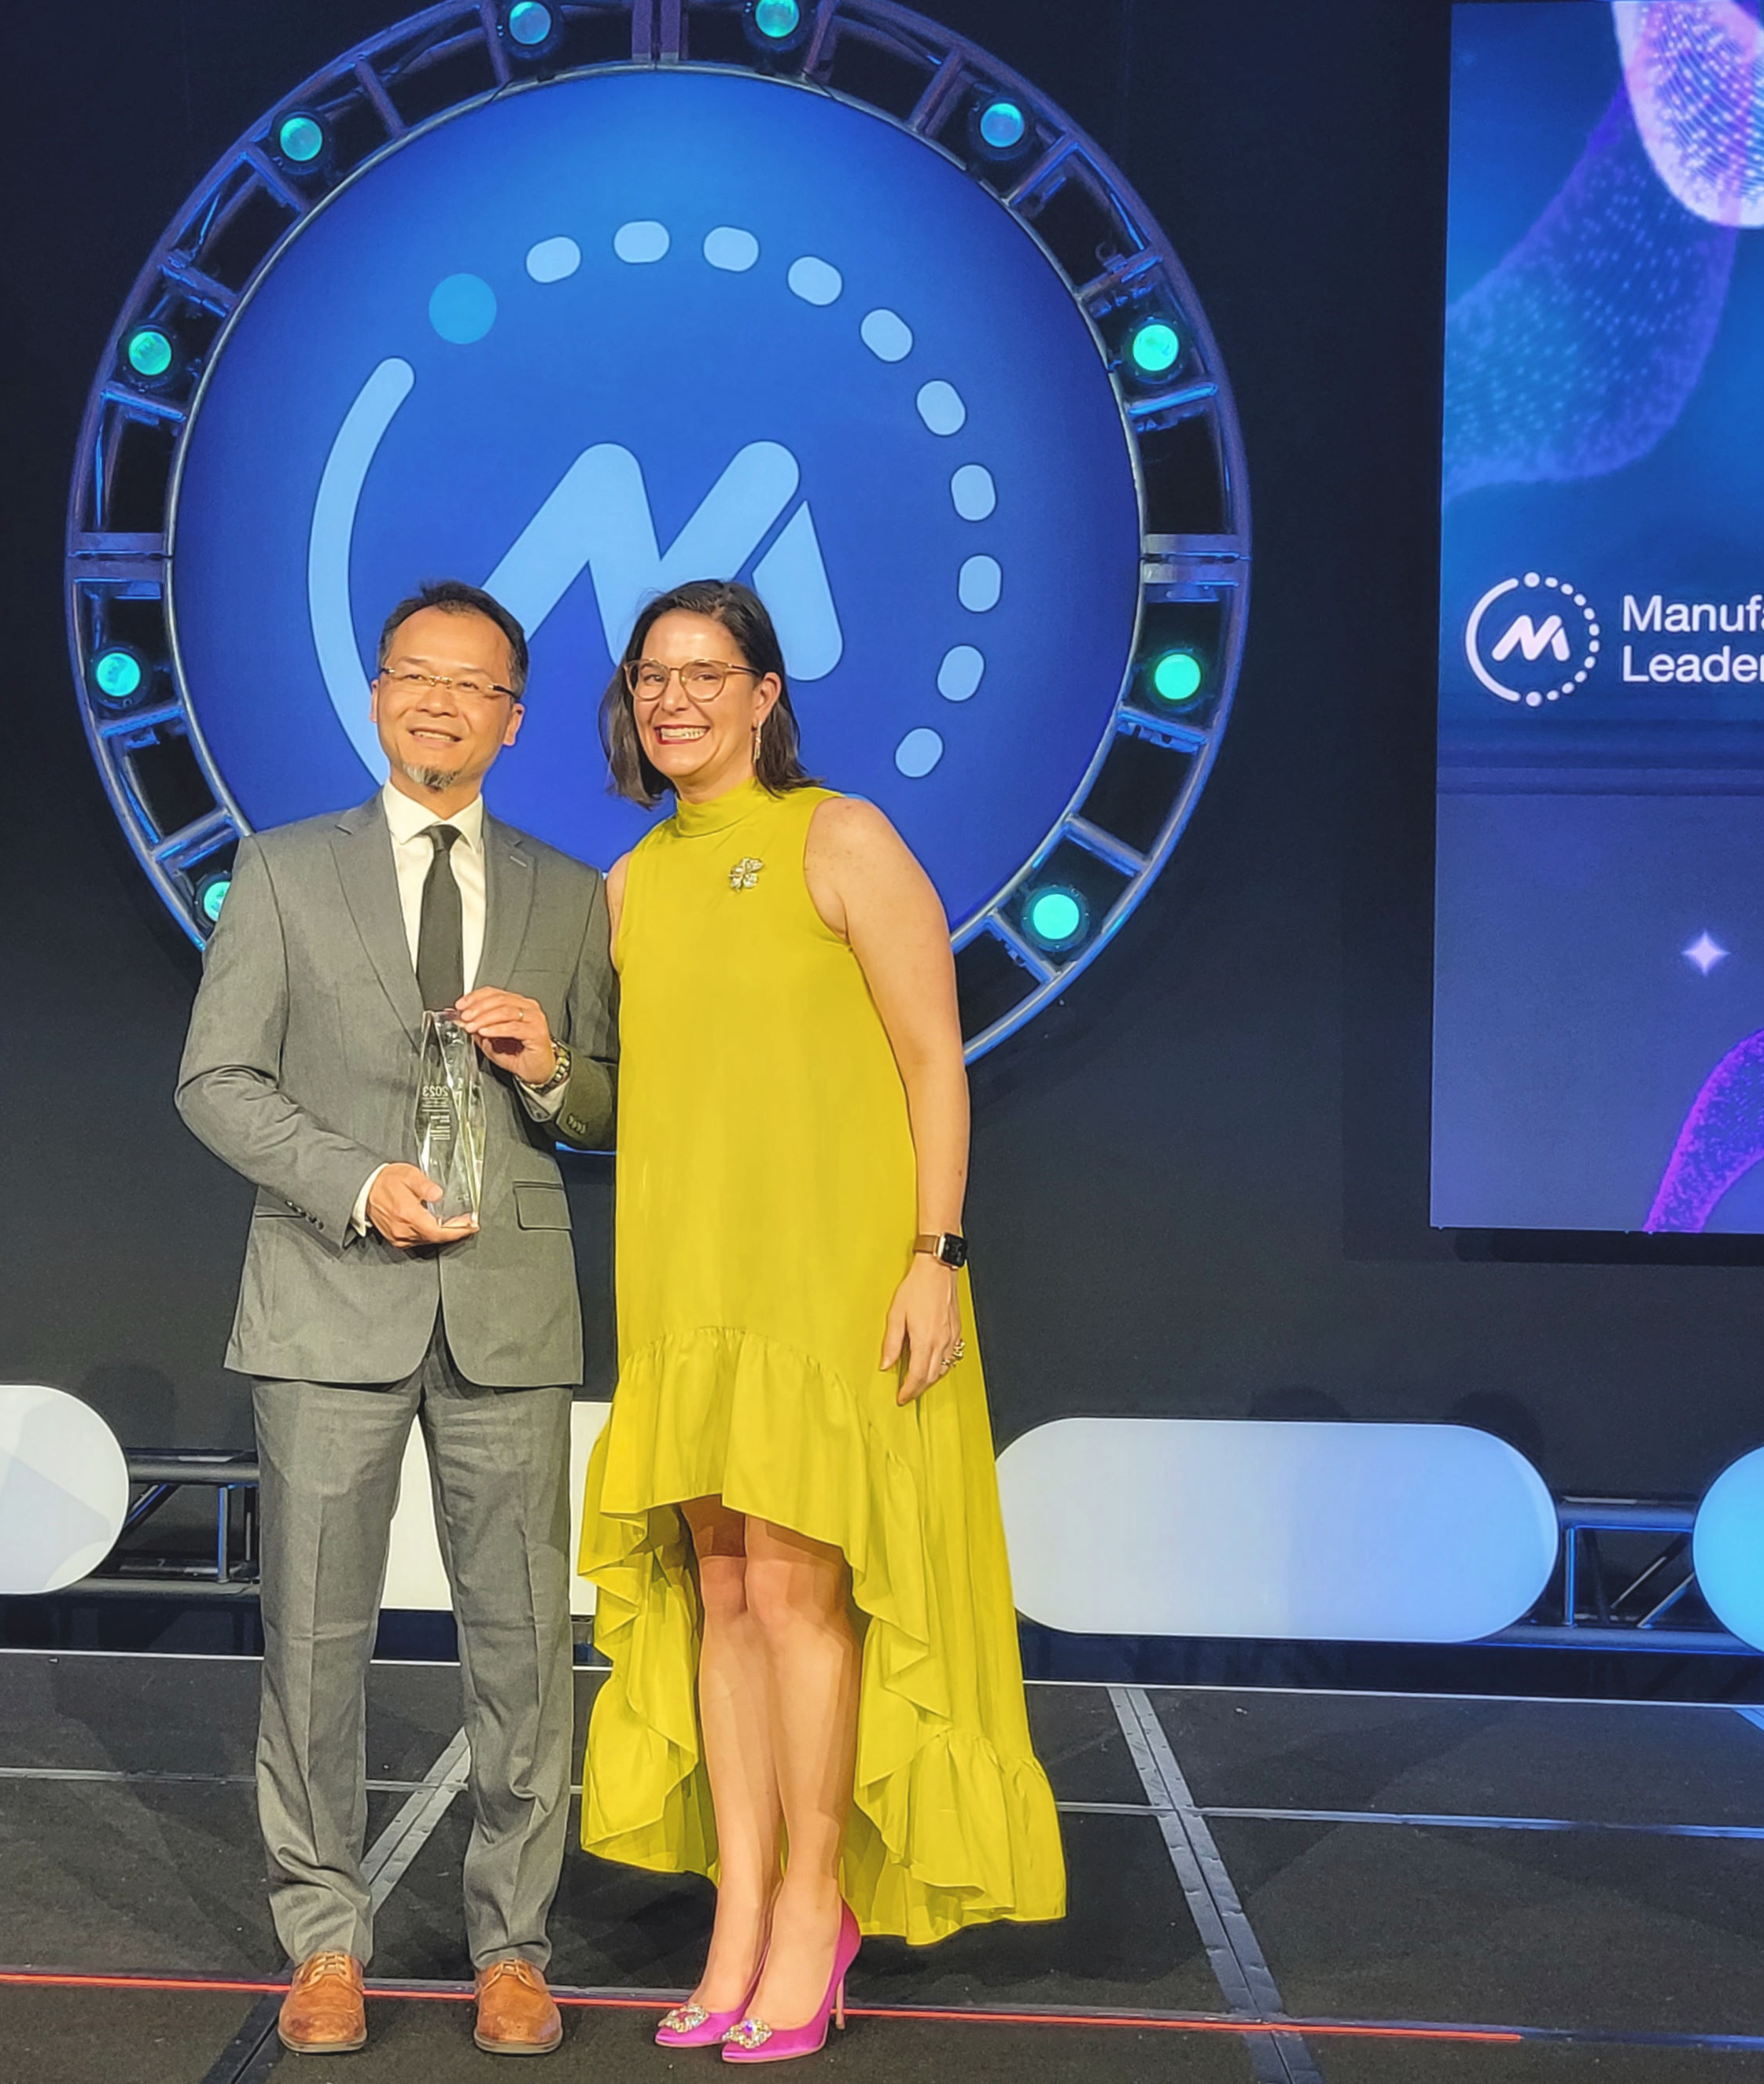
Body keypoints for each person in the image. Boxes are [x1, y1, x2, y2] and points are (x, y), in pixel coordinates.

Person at [576, 578, 1064, 2062]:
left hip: (828, 1278)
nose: (674, 699)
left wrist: (937, 1253)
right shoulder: (629, 883)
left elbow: (933, 1062)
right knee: (721, 1594)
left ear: (765, 693)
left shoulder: (839, 837)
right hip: (684, 1280)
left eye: (704, 673)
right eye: (652, 676)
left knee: (799, 1597)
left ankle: (811, 1908)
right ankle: (738, 1914)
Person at [177, 579, 618, 2060]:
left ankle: (513, 1945)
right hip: (329, 1296)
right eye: (415, 675)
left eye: (472, 684)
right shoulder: (282, 868)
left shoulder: (570, 890)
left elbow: (611, 1103)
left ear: (513, 718)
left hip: (508, 1306)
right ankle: (324, 1936)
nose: (440, 703)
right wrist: (358, 1182)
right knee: (313, 1636)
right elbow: (216, 1080)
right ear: (377, 695)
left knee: (525, 1642)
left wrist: (552, 1068)